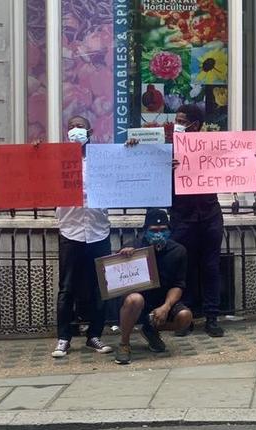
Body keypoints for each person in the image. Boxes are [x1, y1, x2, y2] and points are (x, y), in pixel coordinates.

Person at [52, 116, 114, 358]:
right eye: (71, 127)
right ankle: (63, 338)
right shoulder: (57, 161)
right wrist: (35, 153)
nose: (75, 130)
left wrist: (131, 149)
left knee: (101, 287)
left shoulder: (103, 160)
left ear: (90, 131)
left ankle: (94, 335)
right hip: (71, 230)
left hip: (98, 230)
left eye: (80, 126)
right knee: (67, 288)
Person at [168, 104, 225, 337]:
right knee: (185, 267)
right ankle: (186, 317)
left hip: (209, 214)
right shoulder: (168, 147)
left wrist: (248, 159)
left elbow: (232, 161)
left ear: (195, 125)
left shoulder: (210, 146)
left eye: (182, 121)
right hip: (182, 215)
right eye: (177, 120)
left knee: (211, 266)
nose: (177, 124)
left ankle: (212, 317)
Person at [114, 209, 193, 365]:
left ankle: (150, 330)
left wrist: (166, 306)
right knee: (134, 299)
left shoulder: (178, 251)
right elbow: (116, 277)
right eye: (154, 231)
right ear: (145, 231)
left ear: (169, 230)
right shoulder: (133, 247)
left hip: (163, 300)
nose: (159, 234)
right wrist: (123, 257)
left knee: (185, 317)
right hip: (137, 302)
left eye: (163, 230)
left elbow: (178, 285)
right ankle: (124, 344)